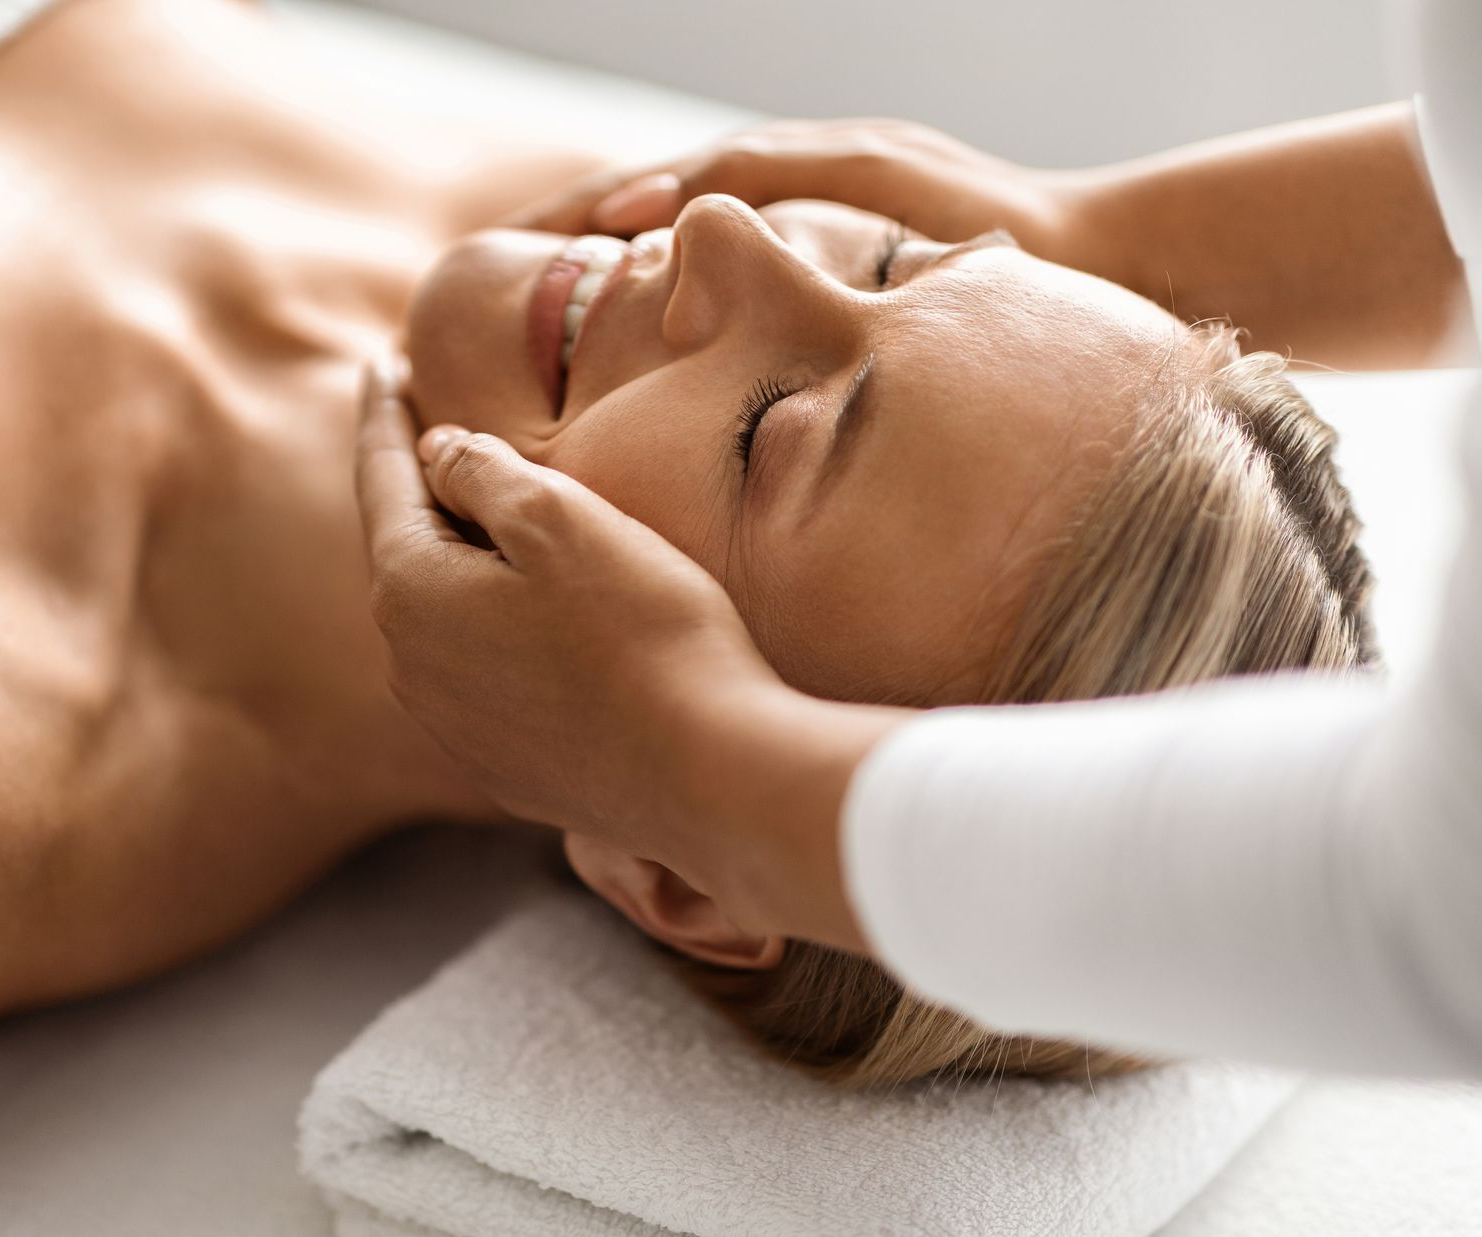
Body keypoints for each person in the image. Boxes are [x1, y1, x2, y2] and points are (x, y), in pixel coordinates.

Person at [356, 1, 1482, 1081]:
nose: (723, 227)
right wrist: (1093, 235)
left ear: (687, 877)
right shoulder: (531, 187)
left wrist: (699, 771)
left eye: (765, 432)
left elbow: (1425, 902)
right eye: (896, 258)